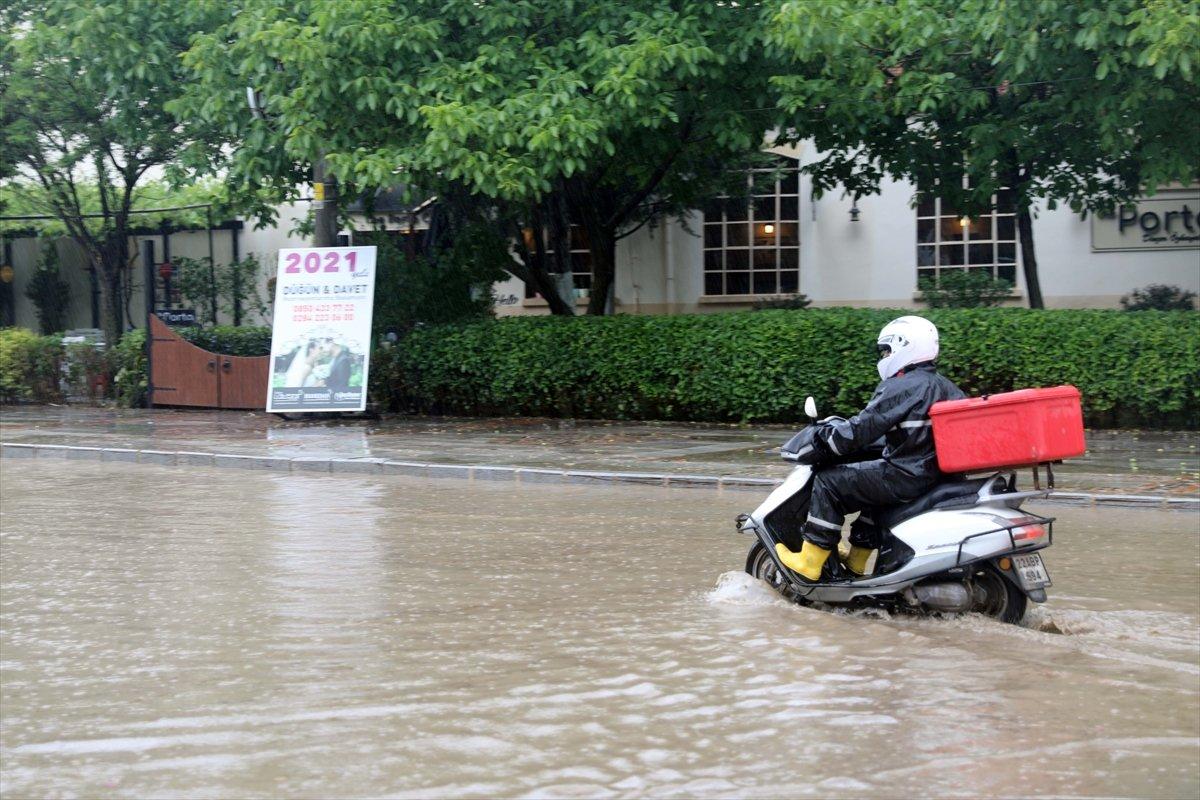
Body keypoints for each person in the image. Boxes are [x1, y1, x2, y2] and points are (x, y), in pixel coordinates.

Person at [775, 315, 965, 581]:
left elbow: (862, 428)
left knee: (830, 482)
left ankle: (810, 561)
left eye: (887, 349)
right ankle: (856, 562)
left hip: (907, 474)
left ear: (904, 346)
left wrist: (824, 439)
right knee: (870, 487)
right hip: (930, 475)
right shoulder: (947, 387)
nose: (885, 355)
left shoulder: (902, 386)